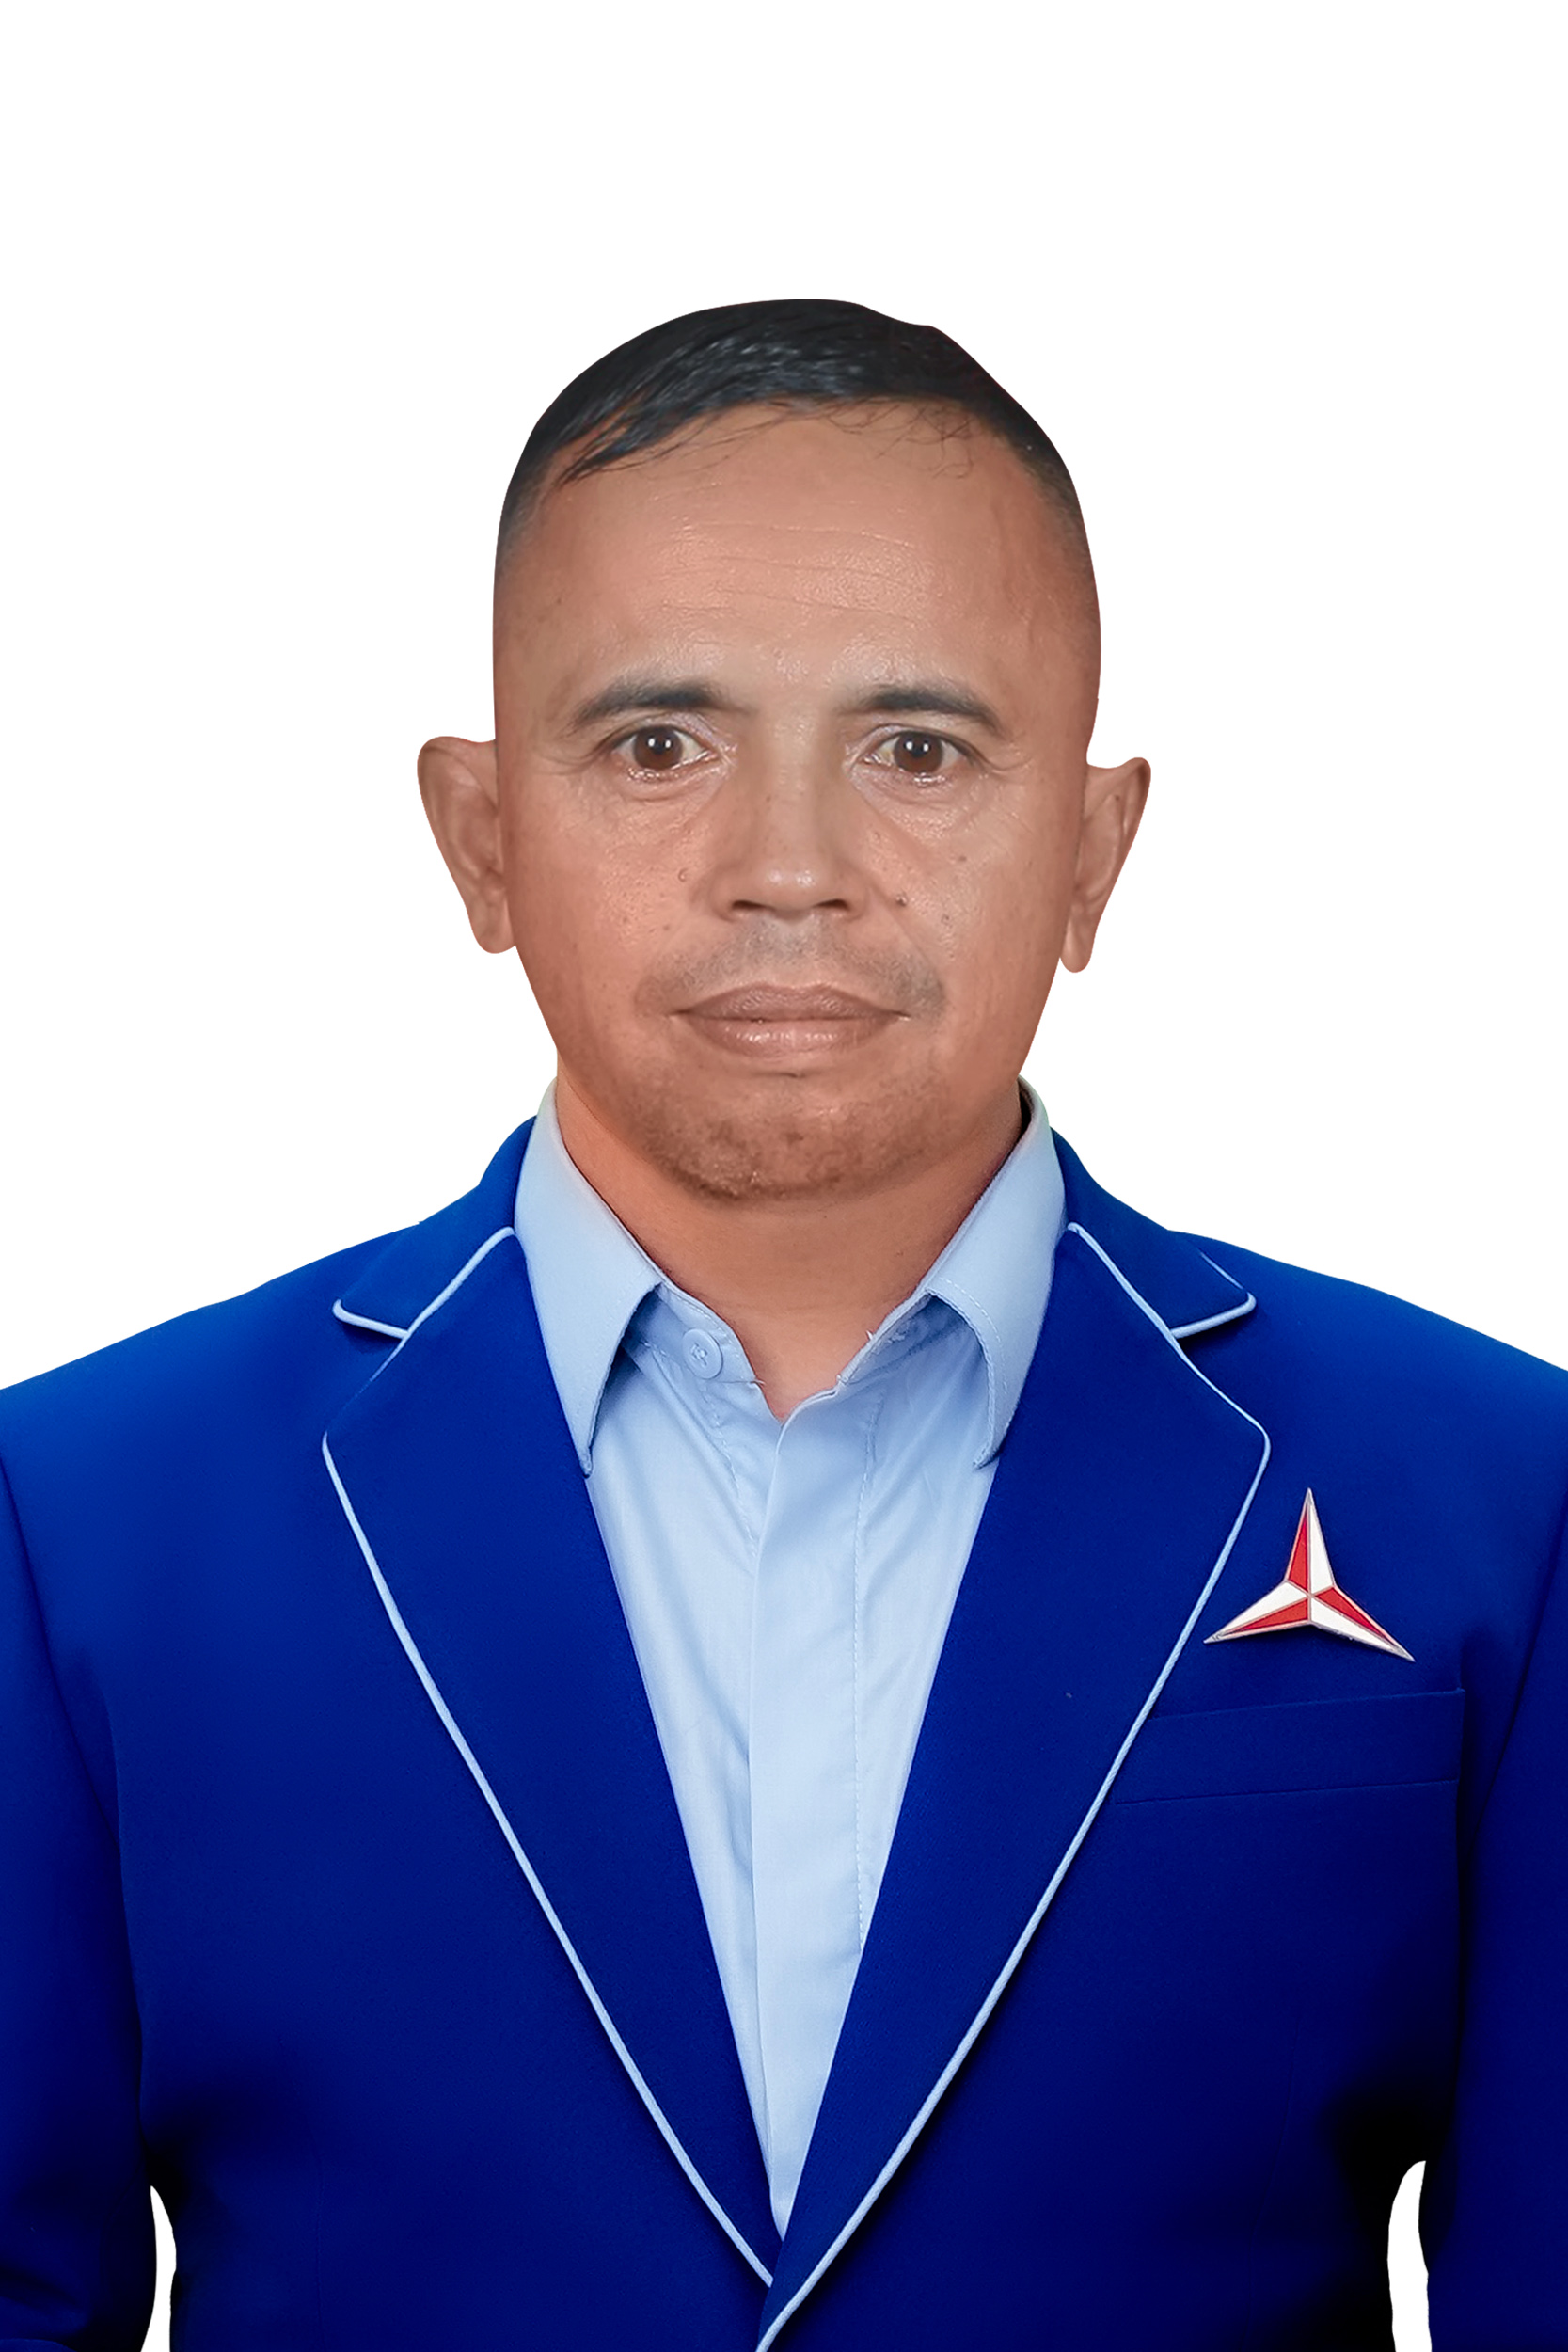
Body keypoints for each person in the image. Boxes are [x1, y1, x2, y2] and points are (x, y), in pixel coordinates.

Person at [1, 299, 1562, 2352]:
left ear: (1094, 854)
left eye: (919, 750)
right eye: (660, 744)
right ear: (482, 835)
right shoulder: (80, 1522)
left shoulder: (1497, 1501)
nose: (790, 870)